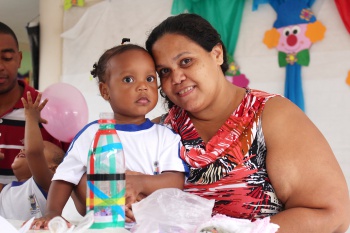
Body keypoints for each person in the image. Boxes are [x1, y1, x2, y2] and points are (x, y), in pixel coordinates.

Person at [125, 13, 350, 232]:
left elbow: (332, 213)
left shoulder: (270, 115)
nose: (176, 78)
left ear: (217, 54)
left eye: (186, 61)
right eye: (164, 71)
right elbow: (108, 198)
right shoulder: (156, 133)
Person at [30, 41, 186, 229]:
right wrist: (53, 213)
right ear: (105, 91)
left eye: (150, 79)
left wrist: (139, 183)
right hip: (103, 224)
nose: (143, 86)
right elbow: (65, 177)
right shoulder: (92, 134)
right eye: (129, 79)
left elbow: (175, 180)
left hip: (150, 225)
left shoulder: (166, 136)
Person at [0, 22, 69, 184]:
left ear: (19, 58)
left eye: (7, 58)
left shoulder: (48, 108)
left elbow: (73, 173)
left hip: (33, 208)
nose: (0, 66)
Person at [0, 91, 65, 220]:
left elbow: (33, 152)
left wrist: (31, 118)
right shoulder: (6, 189)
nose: (24, 148)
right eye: (24, 147)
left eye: (42, 146)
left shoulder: (45, 186)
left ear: (53, 168)